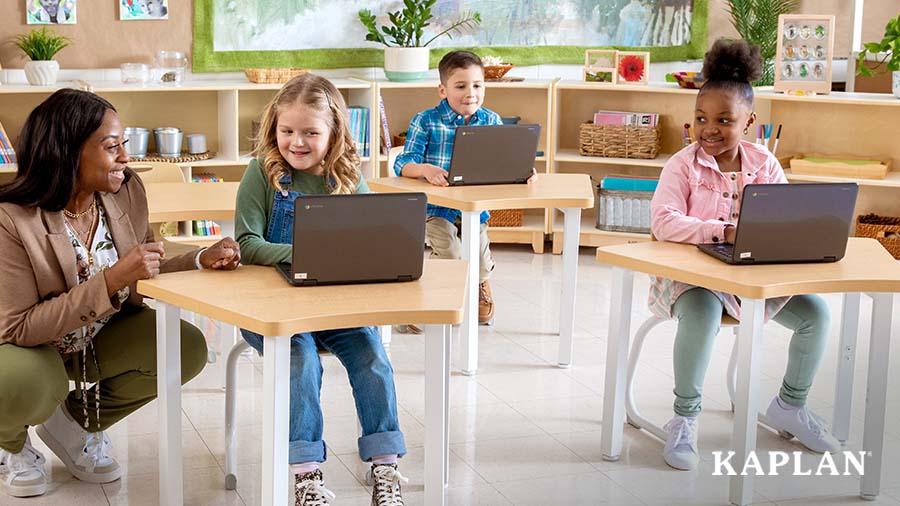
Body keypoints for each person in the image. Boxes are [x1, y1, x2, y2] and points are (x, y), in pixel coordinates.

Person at [0, 89, 241, 498]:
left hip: (99, 336)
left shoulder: (125, 189)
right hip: (28, 348)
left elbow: (143, 260)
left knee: (184, 347)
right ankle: (13, 446)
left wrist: (201, 257)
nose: (125, 157)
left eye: (123, 145)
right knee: (20, 384)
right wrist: (110, 281)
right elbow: (19, 326)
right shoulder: (11, 220)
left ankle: (74, 425)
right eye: (112, 147)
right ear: (67, 152)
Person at [649, 39, 839, 471]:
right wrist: (724, 230)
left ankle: (790, 406)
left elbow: (783, 217)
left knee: (817, 316)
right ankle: (684, 416)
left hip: (752, 279)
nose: (709, 128)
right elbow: (663, 221)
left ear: (750, 121)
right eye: (701, 118)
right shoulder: (682, 165)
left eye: (723, 120)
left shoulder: (765, 162)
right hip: (695, 280)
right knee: (702, 315)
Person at [234, 74, 407, 506]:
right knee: (300, 360)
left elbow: (371, 238)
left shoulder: (346, 177)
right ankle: (305, 474)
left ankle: (384, 465)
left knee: (372, 357)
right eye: (287, 131)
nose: (297, 142)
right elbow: (246, 243)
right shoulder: (262, 174)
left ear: (335, 135)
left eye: (311, 132)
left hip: (332, 309)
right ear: (274, 129)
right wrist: (306, 252)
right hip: (271, 313)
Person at [394, 50, 535, 329]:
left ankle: (482, 286)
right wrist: (425, 170)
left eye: (477, 85)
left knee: (481, 261)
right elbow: (402, 162)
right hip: (436, 208)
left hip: (474, 209)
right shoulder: (426, 120)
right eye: (460, 86)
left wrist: (523, 171)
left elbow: (504, 160)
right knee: (449, 254)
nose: (470, 93)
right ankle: (431, 303)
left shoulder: (491, 120)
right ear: (442, 90)